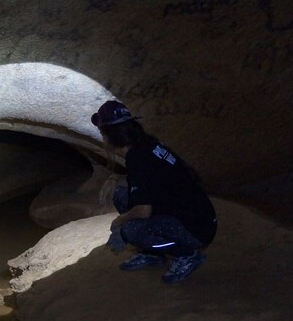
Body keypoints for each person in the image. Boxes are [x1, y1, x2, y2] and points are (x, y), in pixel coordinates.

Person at [91, 100, 217, 283]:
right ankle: (153, 254)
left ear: (111, 136)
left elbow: (143, 211)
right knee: (120, 195)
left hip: (196, 227)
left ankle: (187, 255)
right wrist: (114, 179)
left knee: (131, 230)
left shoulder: (138, 158)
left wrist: (119, 222)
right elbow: (148, 179)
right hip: (193, 213)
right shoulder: (146, 144)